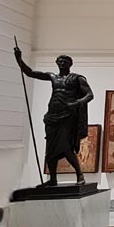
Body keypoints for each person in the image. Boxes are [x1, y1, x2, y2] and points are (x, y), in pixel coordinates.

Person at [14, 48, 93, 186]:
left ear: (70, 64)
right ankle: (53, 179)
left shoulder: (77, 78)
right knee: (50, 149)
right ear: (56, 63)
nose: (62, 63)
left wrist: (77, 103)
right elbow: (30, 73)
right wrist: (19, 59)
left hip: (68, 116)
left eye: (65, 62)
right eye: (60, 61)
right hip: (52, 116)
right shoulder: (52, 77)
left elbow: (89, 95)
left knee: (66, 147)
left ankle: (80, 175)